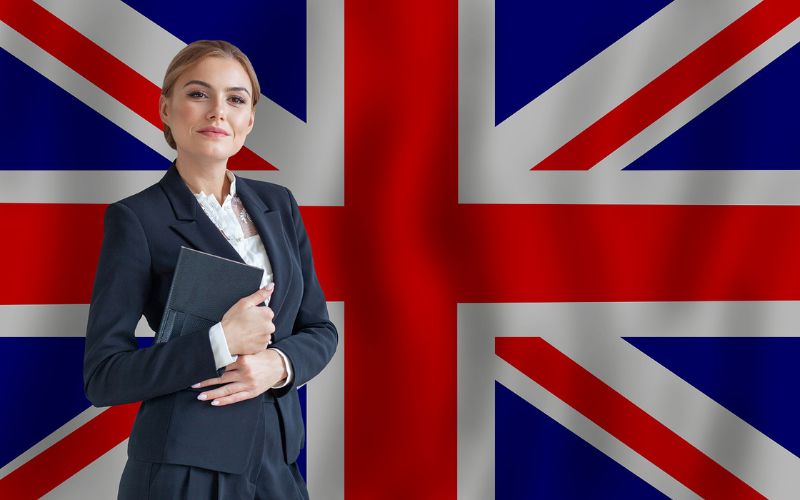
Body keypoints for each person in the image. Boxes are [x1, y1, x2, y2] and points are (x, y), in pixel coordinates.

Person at [83, 40, 338, 499]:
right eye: (198, 94)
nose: (218, 112)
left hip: (277, 463)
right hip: (183, 469)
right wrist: (219, 342)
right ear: (165, 108)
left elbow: (319, 329)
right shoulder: (136, 219)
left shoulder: (279, 205)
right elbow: (104, 376)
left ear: (249, 119)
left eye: (235, 99)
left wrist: (277, 366)